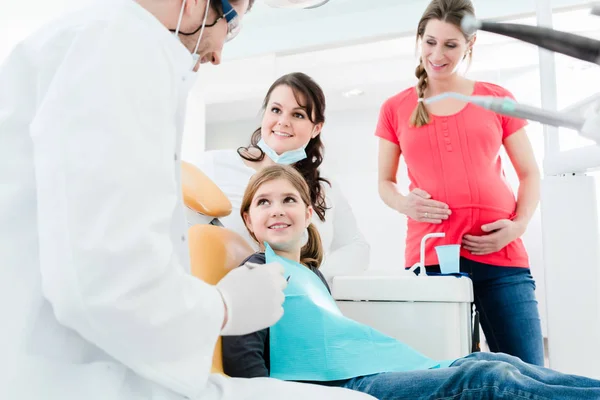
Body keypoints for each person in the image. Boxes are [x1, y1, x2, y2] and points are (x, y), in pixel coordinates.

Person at [0, 1, 374, 399]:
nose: (217, 54)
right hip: (80, 375)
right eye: (230, 27)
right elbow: (102, 285)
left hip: (114, 360)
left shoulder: (108, 43)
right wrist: (224, 307)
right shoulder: (117, 47)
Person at [223, 163, 600, 400]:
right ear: (248, 217)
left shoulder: (311, 275)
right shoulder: (255, 274)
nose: (277, 210)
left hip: (369, 370)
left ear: (308, 214)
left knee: (492, 358)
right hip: (341, 385)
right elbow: (244, 369)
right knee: (488, 378)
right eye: (263, 202)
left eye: (288, 200)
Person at [376, 0, 544, 365]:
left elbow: (529, 173)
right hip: (432, 259)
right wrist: (404, 202)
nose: (437, 54)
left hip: (502, 257)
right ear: (419, 39)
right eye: (430, 41)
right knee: (447, 374)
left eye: (450, 45)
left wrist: (517, 226)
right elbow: (385, 183)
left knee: (530, 372)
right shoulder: (395, 107)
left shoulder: (497, 98)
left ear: (470, 45)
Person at [196, 72, 370, 284]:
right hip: (235, 302)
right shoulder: (215, 165)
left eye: (298, 115)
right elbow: (180, 234)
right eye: (276, 110)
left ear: (316, 128)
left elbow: (356, 247)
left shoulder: (325, 185)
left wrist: (310, 279)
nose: (283, 122)